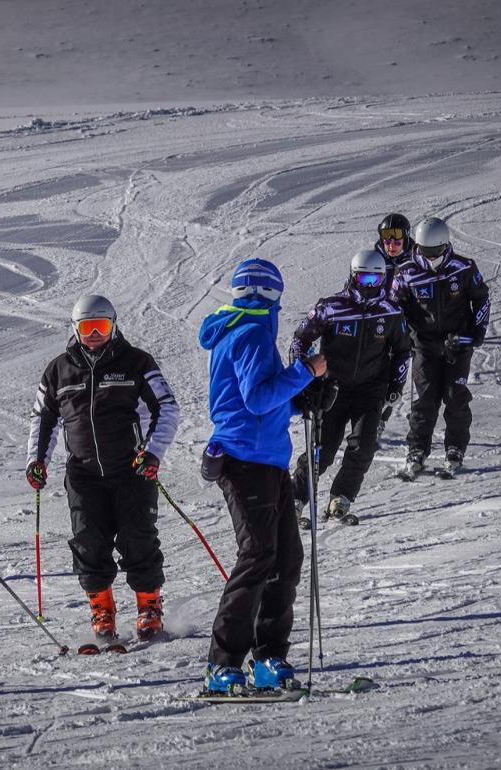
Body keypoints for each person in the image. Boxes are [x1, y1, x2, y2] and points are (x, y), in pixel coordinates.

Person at [197, 258, 325, 695]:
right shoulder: (252, 332)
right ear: (272, 296)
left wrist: (296, 402)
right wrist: (306, 372)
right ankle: (222, 663)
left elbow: (253, 398)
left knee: (285, 559)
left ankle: (269, 657)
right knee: (258, 557)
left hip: (266, 459)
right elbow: (255, 399)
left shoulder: (239, 327)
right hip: (246, 460)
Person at [25, 294, 179, 644]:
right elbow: (43, 418)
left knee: (137, 536)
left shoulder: (137, 362)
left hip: (132, 470)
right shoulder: (58, 370)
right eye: (87, 328)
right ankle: (102, 609)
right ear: (75, 329)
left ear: (114, 325)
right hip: (83, 473)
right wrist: (37, 461)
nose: (95, 334)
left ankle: (149, 606)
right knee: (88, 541)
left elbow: (167, 407)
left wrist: (152, 453)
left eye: (101, 327)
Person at [288, 249, 411, 525]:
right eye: (363, 279)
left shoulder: (390, 312)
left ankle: (341, 497)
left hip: (370, 389)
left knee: (363, 446)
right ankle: (295, 499)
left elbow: (403, 350)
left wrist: (396, 383)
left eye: (374, 281)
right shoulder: (332, 308)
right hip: (333, 388)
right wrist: (303, 377)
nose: (369, 286)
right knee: (323, 449)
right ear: (353, 277)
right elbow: (300, 340)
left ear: (382, 280)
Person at [389, 217, 491, 480]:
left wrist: (476, 333)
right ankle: (417, 450)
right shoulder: (407, 271)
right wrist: (406, 337)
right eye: (423, 250)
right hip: (424, 345)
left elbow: (481, 299)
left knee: (455, 395)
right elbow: (395, 309)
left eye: (433, 251)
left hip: (457, 344)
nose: (428, 256)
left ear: (445, 246)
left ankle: (455, 448)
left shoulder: (463, 267)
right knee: (425, 399)